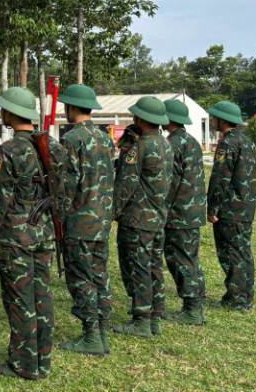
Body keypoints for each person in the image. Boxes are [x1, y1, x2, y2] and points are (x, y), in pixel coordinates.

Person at [0, 87, 66, 380]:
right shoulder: (54, 147)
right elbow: (63, 191)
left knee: (20, 300)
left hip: (15, 237)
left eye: (3, 109)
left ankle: (23, 365)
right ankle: (43, 362)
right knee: (42, 297)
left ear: (11, 114)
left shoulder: (9, 150)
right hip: (44, 233)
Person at [54, 84, 116, 356]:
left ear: (71, 107)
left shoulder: (72, 139)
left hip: (80, 222)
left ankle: (91, 337)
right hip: (102, 219)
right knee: (100, 276)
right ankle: (102, 331)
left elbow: (68, 185)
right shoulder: (105, 138)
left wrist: (58, 216)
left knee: (81, 279)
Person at [112, 96, 171, 338]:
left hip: (137, 220)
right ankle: (155, 318)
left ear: (141, 119)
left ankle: (141, 322)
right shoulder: (167, 145)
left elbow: (125, 184)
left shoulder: (140, 147)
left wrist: (111, 214)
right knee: (154, 268)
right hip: (158, 217)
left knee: (138, 269)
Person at [206, 100, 256, 311]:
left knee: (231, 255)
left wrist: (213, 208)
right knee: (243, 253)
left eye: (214, 117)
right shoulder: (247, 141)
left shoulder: (227, 143)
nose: (212, 120)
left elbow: (220, 178)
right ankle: (243, 298)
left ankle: (238, 301)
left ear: (223, 119)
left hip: (230, 209)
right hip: (245, 208)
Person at [161, 99, 208, 325]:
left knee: (180, 260)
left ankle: (192, 309)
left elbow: (170, 182)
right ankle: (197, 301)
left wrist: (160, 208)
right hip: (193, 211)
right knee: (191, 258)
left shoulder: (172, 144)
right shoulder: (192, 141)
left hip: (178, 213)